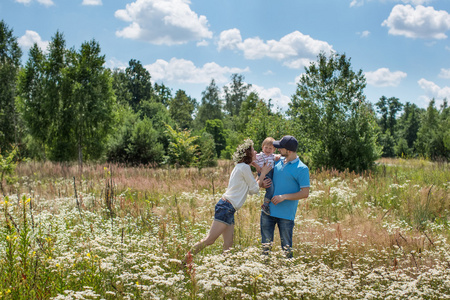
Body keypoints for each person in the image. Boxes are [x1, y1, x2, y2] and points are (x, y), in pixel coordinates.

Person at [184, 139, 272, 263]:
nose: (256, 151)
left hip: (228, 208)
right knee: (210, 240)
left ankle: (226, 270)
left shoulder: (241, 167)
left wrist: (260, 175)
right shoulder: (244, 168)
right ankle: (185, 260)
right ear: (248, 153)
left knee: (228, 244)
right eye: (253, 150)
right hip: (226, 207)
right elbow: (254, 189)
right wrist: (262, 173)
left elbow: (251, 187)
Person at [260, 135, 310, 258]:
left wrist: (284, 197)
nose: (278, 150)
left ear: (289, 151)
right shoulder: (277, 162)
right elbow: (265, 178)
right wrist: (262, 183)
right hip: (268, 211)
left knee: (286, 249)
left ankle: (287, 272)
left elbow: (305, 193)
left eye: (280, 148)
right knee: (265, 248)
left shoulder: (302, 169)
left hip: (286, 215)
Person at [251, 137, 280, 216]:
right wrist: (256, 166)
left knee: (272, 188)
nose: (267, 150)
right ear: (262, 147)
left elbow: (279, 156)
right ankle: (265, 205)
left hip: (271, 174)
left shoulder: (272, 156)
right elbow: (249, 160)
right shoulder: (260, 156)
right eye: (266, 147)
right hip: (264, 174)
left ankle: (268, 204)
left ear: (274, 150)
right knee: (270, 189)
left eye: (270, 148)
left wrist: (278, 156)